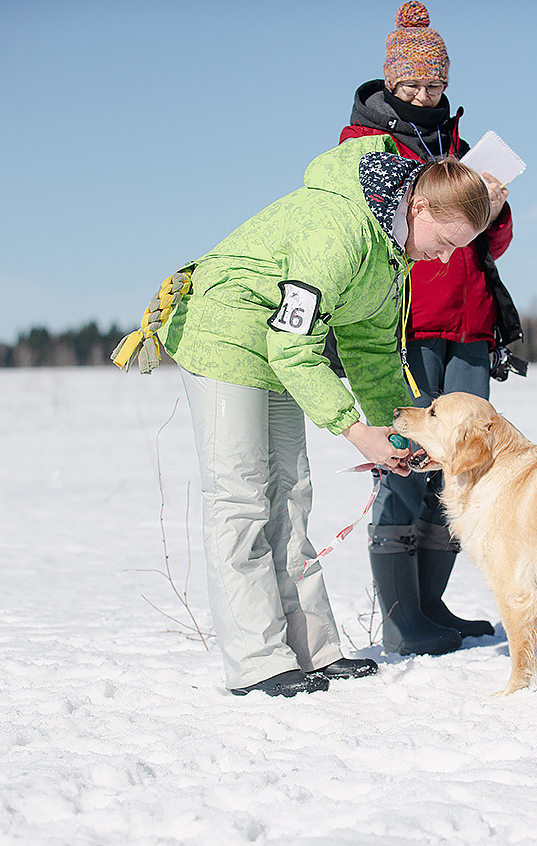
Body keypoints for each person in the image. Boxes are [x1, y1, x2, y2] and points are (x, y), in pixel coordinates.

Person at [112, 135, 491, 698]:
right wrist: (355, 430)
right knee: (241, 495)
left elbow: (371, 352)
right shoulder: (336, 230)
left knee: (290, 491)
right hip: (225, 335)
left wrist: (393, 428)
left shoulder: (391, 255)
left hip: (278, 347)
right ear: (418, 206)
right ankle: (256, 659)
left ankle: (315, 649)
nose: (442, 258)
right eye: (444, 241)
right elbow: (293, 344)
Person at [339, 1, 523, 657]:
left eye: (434, 85)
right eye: (412, 84)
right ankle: (400, 617)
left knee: (463, 464)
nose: (423, 94)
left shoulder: (463, 150)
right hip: (402, 328)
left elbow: (489, 245)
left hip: (470, 328)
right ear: (390, 81)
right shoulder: (364, 148)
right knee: (407, 464)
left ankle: (432, 605)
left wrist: (495, 205)